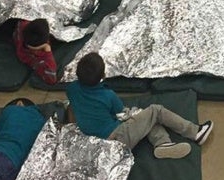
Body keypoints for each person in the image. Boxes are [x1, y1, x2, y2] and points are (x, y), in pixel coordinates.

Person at [67, 53, 214, 159]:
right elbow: (121, 112)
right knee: (156, 111)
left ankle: (162, 143)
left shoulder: (71, 89)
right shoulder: (108, 95)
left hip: (94, 140)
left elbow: (76, 108)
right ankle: (195, 132)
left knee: (146, 118)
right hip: (116, 139)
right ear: (102, 76)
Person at [13, 19, 58, 85]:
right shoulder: (34, 58)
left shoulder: (22, 27)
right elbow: (52, 79)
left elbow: (24, 24)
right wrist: (48, 51)